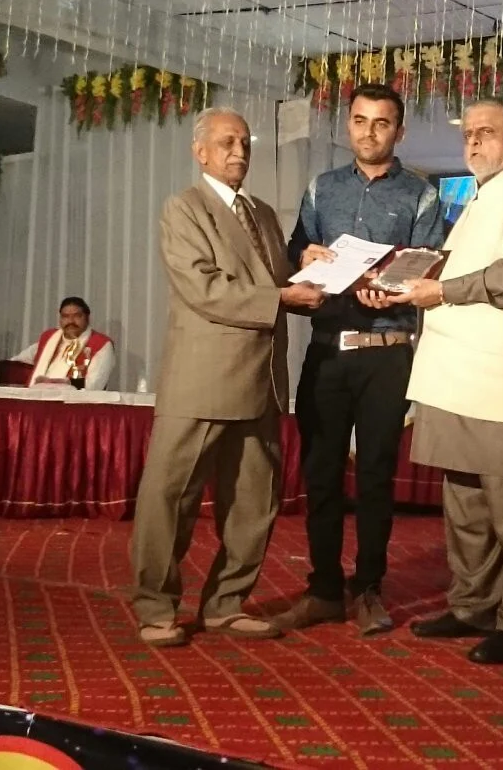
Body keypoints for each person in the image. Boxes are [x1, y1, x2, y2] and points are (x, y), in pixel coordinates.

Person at [360, 97, 503, 663]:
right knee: (467, 508)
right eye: (469, 134)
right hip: (459, 377)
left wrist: (442, 290)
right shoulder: (482, 197)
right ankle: (473, 605)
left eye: (488, 132)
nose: (474, 141)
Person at [129, 107, 325, 647]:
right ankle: (156, 607)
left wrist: (313, 268)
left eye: (245, 143)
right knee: (170, 497)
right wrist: (283, 295)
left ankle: (226, 605)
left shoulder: (261, 212)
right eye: (226, 143)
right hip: (203, 379)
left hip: (262, 378)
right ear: (200, 152)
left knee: (254, 501)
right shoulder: (183, 209)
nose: (239, 152)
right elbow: (204, 288)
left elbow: (277, 281)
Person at [273, 83, 445, 637]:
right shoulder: (321, 188)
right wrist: (304, 252)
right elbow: (294, 253)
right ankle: (324, 589)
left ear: (399, 131)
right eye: (360, 121)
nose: (370, 132)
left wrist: (389, 289)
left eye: (382, 122)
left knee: (374, 478)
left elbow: (429, 268)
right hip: (327, 351)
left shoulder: (422, 195)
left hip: (386, 354)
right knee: (320, 475)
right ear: (348, 125)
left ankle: (369, 588)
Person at [12, 297, 116, 390]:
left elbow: (94, 385)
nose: (71, 321)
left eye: (77, 316)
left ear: (87, 318)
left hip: (73, 403)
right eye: (65, 316)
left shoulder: (101, 344)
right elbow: (18, 362)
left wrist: (62, 383)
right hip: (37, 398)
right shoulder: (49, 338)